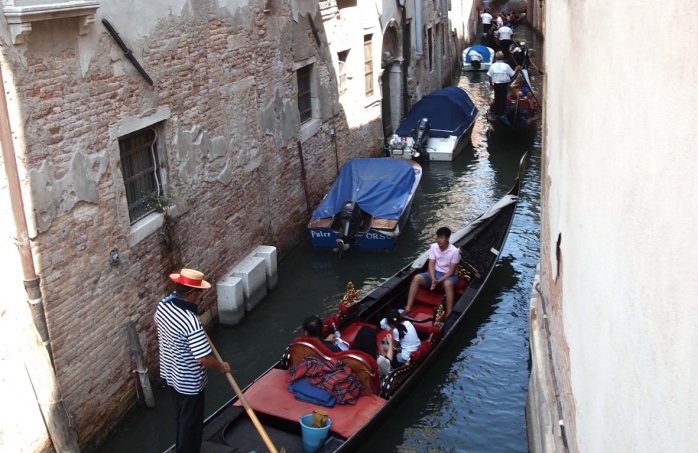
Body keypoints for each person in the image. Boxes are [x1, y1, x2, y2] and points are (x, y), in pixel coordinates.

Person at [155, 268, 231, 453]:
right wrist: (221, 366)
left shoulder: (163, 305)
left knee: (182, 418)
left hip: (170, 374)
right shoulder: (191, 322)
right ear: (191, 293)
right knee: (191, 425)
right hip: (189, 383)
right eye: (199, 292)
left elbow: (158, 323)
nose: (200, 296)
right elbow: (203, 359)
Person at [404, 227, 461, 318]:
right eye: (438, 237)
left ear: (447, 238)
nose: (439, 240)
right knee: (416, 278)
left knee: (447, 284)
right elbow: (431, 264)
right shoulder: (434, 246)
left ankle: (449, 312)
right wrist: (434, 278)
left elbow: (451, 271)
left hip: (449, 276)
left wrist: (438, 280)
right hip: (436, 273)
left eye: (441, 238)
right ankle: (408, 307)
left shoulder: (454, 252)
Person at [487, 51, 517, 115]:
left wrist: (491, 84)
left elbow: (489, 76)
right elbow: (512, 74)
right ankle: (502, 112)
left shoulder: (493, 66)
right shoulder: (506, 66)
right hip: (504, 85)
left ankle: (497, 112)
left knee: (497, 97)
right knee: (503, 98)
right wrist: (516, 70)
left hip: (496, 84)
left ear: (496, 58)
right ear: (502, 58)